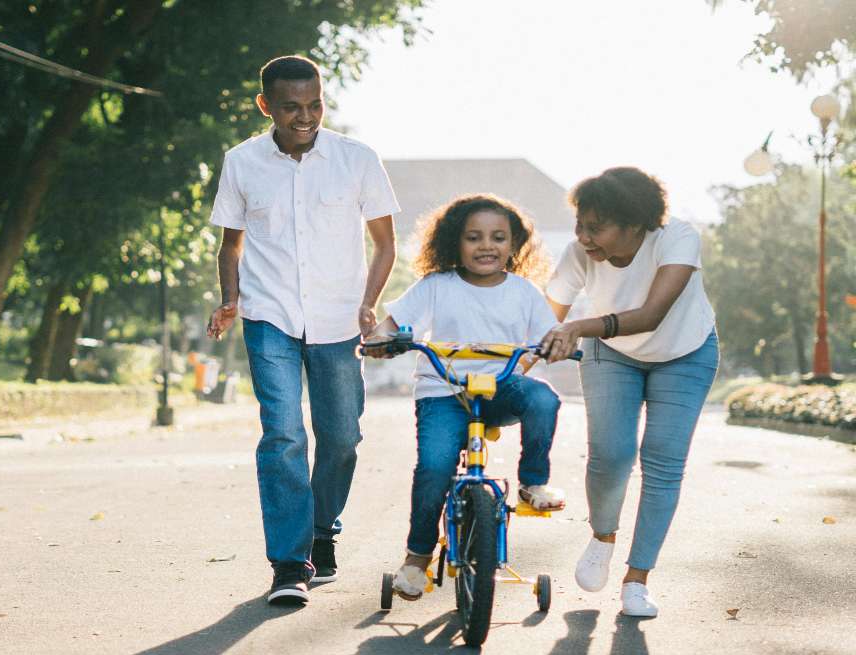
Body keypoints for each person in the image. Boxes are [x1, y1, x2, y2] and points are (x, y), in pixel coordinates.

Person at [206, 55, 400, 604]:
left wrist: (369, 304)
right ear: (265, 105)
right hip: (269, 316)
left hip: (339, 319)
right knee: (284, 434)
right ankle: (290, 563)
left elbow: (385, 244)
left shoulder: (357, 159)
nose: (306, 117)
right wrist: (230, 300)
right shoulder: (241, 162)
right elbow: (231, 246)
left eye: (315, 104)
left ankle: (321, 532)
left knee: (341, 437)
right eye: (291, 107)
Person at [364, 194, 565, 600]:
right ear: (454, 242)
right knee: (435, 467)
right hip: (444, 391)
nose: (486, 246)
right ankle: (417, 559)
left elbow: (548, 336)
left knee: (543, 398)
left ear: (514, 244)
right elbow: (390, 326)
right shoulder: (435, 286)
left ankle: (533, 482)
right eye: (474, 237)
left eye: (498, 238)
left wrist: (555, 345)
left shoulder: (524, 292)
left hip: (500, 388)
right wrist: (380, 340)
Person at [540, 166, 718, 618]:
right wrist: (509, 365)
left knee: (663, 460)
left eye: (596, 228)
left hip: (685, 352)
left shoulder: (677, 238)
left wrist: (578, 327)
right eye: (580, 224)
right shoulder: (580, 253)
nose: (584, 237)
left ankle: (637, 580)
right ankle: (603, 536)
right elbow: (543, 319)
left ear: (636, 224)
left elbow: (652, 314)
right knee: (612, 453)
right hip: (612, 353)